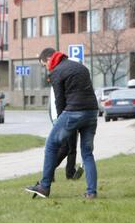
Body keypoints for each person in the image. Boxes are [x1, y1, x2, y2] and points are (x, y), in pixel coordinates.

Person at [25, 48, 99, 199]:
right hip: (92, 111)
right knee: (87, 153)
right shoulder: (80, 67)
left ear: (48, 59)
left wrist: (60, 123)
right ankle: (91, 192)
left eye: (44, 65)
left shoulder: (56, 72)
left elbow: (60, 101)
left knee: (51, 145)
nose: (46, 68)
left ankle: (44, 186)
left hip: (73, 111)